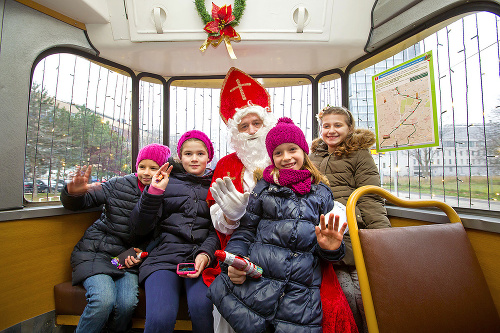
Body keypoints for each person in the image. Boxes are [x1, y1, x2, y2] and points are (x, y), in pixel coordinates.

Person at [208, 117, 357, 333]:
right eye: (278, 153)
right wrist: (235, 261)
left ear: (303, 151)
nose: (286, 157)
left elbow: (327, 248)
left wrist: (331, 248)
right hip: (259, 274)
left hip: (298, 286)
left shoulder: (321, 193)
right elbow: (245, 231)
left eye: (292, 149)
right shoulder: (263, 188)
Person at [61, 143, 171, 333]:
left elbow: (162, 235)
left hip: (126, 261)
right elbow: (83, 201)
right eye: (142, 166)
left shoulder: (167, 195)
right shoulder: (118, 184)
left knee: (127, 304)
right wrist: (73, 194)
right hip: (97, 253)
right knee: (102, 302)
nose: (146, 172)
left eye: (153, 168)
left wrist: (143, 253)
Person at [202, 67, 276, 333]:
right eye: (243, 126)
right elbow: (218, 223)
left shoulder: (282, 158)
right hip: (237, 251)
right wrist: (231, 215)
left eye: (256, 123)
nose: (251, 130)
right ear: (235, 133)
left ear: (267, 125)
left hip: (277, 250)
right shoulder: (225, 165)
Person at [310, 106, 392, 333]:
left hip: (352, 230)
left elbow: (370, 196)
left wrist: (382, 238)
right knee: (341, 294)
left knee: (363, 295)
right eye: (326, 126)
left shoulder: (359, 154)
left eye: (338, 125)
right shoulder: (314, 156)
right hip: (325, 231)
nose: (331, 131)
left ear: (349, 128)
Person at [129, 130, 219, 333]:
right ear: (180, 156)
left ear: (209, 156)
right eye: (188, 154)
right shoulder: (165, 181)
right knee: (160, 319)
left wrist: (206, 254)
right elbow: (139, 228)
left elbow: (218, 230)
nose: (194, 159)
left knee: (203, 309)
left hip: (200, 259)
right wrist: (153, 193)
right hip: (163, 259)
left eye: (200, 154)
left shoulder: (217, 184)